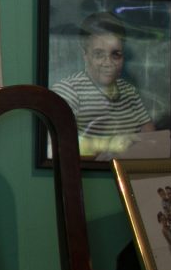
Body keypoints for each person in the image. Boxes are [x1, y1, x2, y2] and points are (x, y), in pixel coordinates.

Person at [53, 12, 158, 160]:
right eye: (99, 54)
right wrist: (114, 145)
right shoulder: (68, 91)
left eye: (116, 54)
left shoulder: (129, 91)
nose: (108, 63)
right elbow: (59, 147)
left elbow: (152, 140)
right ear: (85, 55)